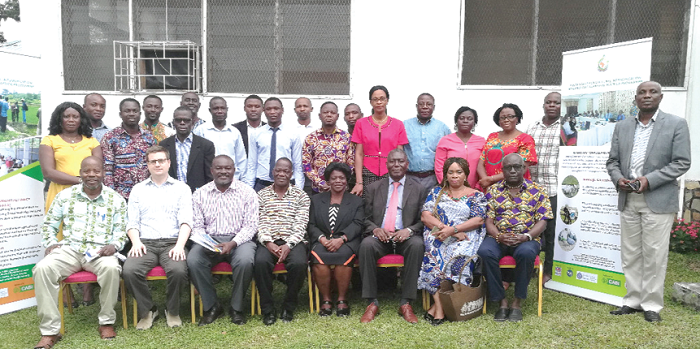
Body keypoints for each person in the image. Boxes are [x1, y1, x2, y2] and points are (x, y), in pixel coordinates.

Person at [606, 81, 691, 323]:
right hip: (628, 197)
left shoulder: (676, 124)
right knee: (631, 253)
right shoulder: (622, 127)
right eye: (642, 92)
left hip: (657, 198)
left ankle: (651, 304)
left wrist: (649, 180)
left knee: (654, 253)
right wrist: (618, 178)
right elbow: (612, 161)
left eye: (652, 92)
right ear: (635, 99)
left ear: (660, 97)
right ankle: (632, 300)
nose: (647, 96)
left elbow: (682, 162)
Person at [32, 157, 127, 348]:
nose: (91, 175)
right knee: (42, 269)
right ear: (81, 172)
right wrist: (51, 244)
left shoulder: (115, 199)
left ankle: (106, 322)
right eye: (87, 171)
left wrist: (115, 245)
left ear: (103, 172)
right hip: (70, 249)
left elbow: (121, 231)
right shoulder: (65, 196)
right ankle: (50, 331)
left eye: (96, 171)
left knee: (111, 268)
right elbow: (49, 224)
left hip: (100, 251)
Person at [122, 145, 193, 330]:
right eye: (153, 161)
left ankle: (172, 310)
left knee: (178, 270)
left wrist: (179, 246)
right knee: (130, 270)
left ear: (168, 163)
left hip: (172, 242)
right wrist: (135, 242)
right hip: (145, 243)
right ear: (147, 165)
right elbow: (132, 222)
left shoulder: (182, 188)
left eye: (161, 160)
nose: (157, 164)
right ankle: (148, 310)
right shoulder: (138, 190)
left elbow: (186, 221)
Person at [478, 154, 552, 322]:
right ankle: (502, 302)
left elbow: (543, 221)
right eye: (508, 167)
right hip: (499, 237)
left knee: (526, 253)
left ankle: (517, 303)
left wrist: (526, 236)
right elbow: (488, 220)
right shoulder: (494, 190)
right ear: (502, 170)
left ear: (524, 169)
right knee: (484, 251)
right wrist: (498, 235)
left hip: (527, 238)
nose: (512, 171)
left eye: (517, 167)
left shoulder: (538, 190)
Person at [188, 155, 258, 326]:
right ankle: (211, 306)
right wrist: (208, 243)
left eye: (228, 168)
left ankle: (237, 308)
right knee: (193, 259)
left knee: (245, 260)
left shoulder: (247, 192)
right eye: (219, 168)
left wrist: (233, 243)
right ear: (212, 171)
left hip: (239, 240)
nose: (223, 172)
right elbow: (196, 226)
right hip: (209, 241)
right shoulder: (200, 193)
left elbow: (251, 226)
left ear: (234, 170)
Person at [359, 148, 427, 324]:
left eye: (400, 161)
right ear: (386, 164)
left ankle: (406, 302)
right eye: (392, 161)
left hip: (405, 236)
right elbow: (364, 218)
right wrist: (375, 229)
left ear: (407, 164)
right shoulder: (373, 188)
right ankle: (371, 302)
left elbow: (424, 219)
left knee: (417, 245)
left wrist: (409, 230)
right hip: (380, 236)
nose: (396, 165)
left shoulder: (419, 189)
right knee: (366, 245)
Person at [418, 157, 487, 325]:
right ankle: (441, 309)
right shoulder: (437, 192)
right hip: (438, 233)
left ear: (466, 175)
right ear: (445, 175)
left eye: (459, 172)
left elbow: (478, 220)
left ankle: (437, 307)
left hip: (466, 234)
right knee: (433, 255)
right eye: (451, 172)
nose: (454, 176)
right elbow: (425, 216)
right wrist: (447, 229)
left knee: (457, 256)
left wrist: (455, 230)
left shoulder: (476, 195)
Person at [254, 158, 310, 325]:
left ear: (291, 174)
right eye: (278, 170)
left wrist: (289, 245)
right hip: (268, 240)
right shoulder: (261, 194)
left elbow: (301, 224)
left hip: (293, 240)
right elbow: (259, 222)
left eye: (286, 171)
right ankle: (268, 309)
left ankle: (289, 305)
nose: (281, 174)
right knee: (260, 262)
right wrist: (268, 242)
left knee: (299, 264)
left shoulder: (301, 196)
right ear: (273, 172)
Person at [307, 163, 363, 316]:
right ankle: (326, 299)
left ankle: (342, 299)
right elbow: (311, 224)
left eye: (342, 178)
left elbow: (358, 224)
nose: (338, 181)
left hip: (347, 241)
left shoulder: (356, 201)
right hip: (322, 241)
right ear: (328, 181)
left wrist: (342, 239)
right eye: (334, 178)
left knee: (342, 258)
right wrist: (322, 239)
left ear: (347, 180)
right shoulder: (317, 200)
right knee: (319, 259)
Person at [525, 92, 561, 284]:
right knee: (532, 229)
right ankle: (532, 265)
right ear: (544, 105)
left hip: (554, 188)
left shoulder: (566, 128)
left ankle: (548, 270)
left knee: (551, 231)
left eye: (556, 103)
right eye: (549, 102)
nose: (552, 105)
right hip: (532, 189)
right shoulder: (532, 127)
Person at [40, 102, 102, 213]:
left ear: (81, 120)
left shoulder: (92, 142)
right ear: (59, 119)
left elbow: (99, 170)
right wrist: (80, 180)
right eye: (66, 116)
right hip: (59, 192)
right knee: (58, 228)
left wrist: (85, 184)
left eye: (75, 117)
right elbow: (48, 172)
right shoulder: (49, 140)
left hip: (87, 193)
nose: (71, 120)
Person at [350, 85, 409, 198]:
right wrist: (359, 182)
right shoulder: (361, 123)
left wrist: (399, 178)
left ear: (387, 100)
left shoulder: (398, 124)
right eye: (375, 99)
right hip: (367, 172)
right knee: (367, 207)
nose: (379, 102)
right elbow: (359, 153)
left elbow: (400, 153)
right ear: (371, 102)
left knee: (388, 206)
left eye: (382, 99)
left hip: (390, 173)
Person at [101, 98, 157, 200]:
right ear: (120, 114)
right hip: (120, 195)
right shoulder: (110, 137)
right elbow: (107, 169)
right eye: (127, 111)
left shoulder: (148, 136)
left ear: (140, 114)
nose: (131, 114)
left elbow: (153, 164)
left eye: (135, 111)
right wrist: (112, 195)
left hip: (146, 194)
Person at [244, 97, 304, 191]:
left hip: (287, 185)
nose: (272, 112)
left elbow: (298, 165)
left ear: (282, 110)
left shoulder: (293, 134)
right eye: (268, 109)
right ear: (264, 111)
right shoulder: (256, 134)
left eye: (276, 109)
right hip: (262, 184)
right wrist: (249, 189)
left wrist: (298, 190)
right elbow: (252, 164)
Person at [477, 103, 537, 189]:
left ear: (517, 118)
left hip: (513, 187)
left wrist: (491, 179)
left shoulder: (525, 139)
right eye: (502, 117)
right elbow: (481, 163)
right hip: (489, 187)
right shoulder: (492, 136)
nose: (506, 120)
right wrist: (485, 180)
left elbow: (522, 168)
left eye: (510, 116)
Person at [302, 101, 354, 194]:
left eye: (332, 113)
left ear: (337, 116)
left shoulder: (346, 138)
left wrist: (340, 182)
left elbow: (351, 163)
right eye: (325, 112)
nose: (329, 115)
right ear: (319, 115)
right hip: (318, 190)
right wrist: (321, 183)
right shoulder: (311, 138)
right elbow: (306, 166)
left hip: (341, 190)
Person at [160, 106, 215, 192]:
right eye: (178, 120)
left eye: (186, 120)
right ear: (174, 122)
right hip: (170, 192)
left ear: (192, 123)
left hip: (197, 193)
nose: (182, 123)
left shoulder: (206, 145)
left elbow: (210, 175)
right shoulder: (164, 145)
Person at [404, 93, 451, 192]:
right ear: (417, 106)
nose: (425, 107)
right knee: (410, 207)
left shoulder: (442, 128)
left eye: (428, 104)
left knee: (430, 207)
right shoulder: (404, 126)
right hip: (409, 177)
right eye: (421, 104)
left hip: (433, 179)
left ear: (433, 107)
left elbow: (448, 153)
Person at [193, 97, 247, 180]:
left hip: (232, 179)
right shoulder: (200, 131)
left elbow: (241, 159)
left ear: (227, 110)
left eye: (222, 108)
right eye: (215, 108)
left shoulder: (234, 132)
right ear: (210, 111)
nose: (219, 111)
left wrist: (241, 180)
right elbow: (196, 159)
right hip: (209, 179)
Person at [435, 106, 486, 190]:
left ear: (474, 122)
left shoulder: (482, 141)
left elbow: (485, 165)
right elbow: (439, 167)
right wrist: (446, 185)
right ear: (456, 121)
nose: (465, 121)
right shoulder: (445, 141)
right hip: (450, 189)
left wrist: (478, 187)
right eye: (462, 118)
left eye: (469, 119)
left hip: (475, 190)